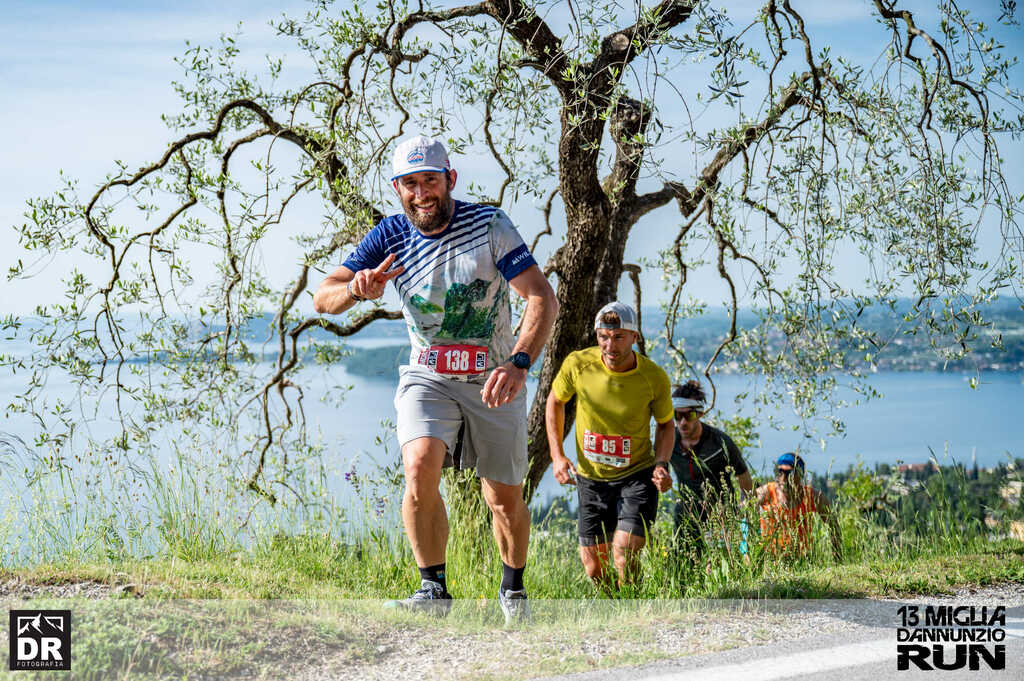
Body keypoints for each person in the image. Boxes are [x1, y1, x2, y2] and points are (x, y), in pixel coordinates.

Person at [313, 135, 557, 622]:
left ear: (450, 180)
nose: (421, 193)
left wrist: (519, 362)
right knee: (419, 466)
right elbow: (324, 297)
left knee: (502, 496)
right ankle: (433, 591)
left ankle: (514, 593)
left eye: (430, 180)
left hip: (494, 377)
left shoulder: (488, 225)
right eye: (410, 184)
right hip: (428, 376)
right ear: (397, 189)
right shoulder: (390, 235)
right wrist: (357, 289)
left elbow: (540, 297)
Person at [546, 302, 675, 590]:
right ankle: (615, 607)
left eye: (618, 337)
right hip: (591, 479)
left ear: (634, 337)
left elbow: (667, 425)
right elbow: (555, 401)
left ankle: (633, 604)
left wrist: (661, 464)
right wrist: (557, 455)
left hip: (636, 475)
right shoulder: (579, 365)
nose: (610, 345)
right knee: (594, 569)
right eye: (603, 337)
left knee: (624, 550)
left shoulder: (653, 377)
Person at [669, 380, 753, 558]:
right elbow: (654, 469)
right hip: (686, 516)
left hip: (720, 516)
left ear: (700, 413)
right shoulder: (669, 441)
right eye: (677, 415)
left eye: (689, 415)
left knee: (720, 565)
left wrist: (746, 510)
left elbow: (743, 475)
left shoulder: (720, 442)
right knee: (683, 566)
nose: (682, 422)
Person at [756, 453, 842, 560]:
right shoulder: (765, 493)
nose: (783, 478)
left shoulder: (813, 497)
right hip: (770, 561)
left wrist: (838, 558)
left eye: (789, 473)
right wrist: (746, 553)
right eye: (779, 472)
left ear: (800, 475)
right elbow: (743, 515)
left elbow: (833, 526)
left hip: (802, 561)